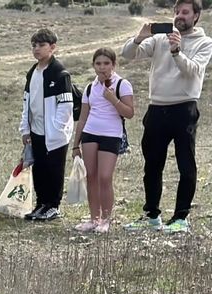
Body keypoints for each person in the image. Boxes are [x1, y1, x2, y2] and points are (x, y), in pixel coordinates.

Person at [122, 0, 212, 233]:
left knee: (185, 163)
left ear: (196, 16)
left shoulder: (204, 42)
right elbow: (127, 55)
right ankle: (152, 215)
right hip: (157, 109)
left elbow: (192, 71)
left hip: (184, 109)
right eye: (177, 12)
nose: (179, 16)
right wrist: (139, 37)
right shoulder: (160, 38)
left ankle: (181, 217)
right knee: (152, 164)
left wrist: (176, 51)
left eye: (185, 12)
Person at [73, 49, 134, 233]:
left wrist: (113, 99)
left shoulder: (122, 84)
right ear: (93, 66)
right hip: (90, 133)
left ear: (113, 65)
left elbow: (129, 113)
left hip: (111, 134)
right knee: (91, 176)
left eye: (106, 63)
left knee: (105, 177)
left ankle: (106, 219)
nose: (102, 68)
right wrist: (76, 144)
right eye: (98, 64)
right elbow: (82, 118)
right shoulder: (90, 87)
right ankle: (94, 218)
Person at [18, 28, 74, 222]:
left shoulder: (60, 73)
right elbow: (27, 101)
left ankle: (53, 206)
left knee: (54, 169)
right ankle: (41, 204)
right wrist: (25, 128)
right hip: (36, 131)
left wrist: (56, 130)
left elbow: (66, 106)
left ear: (53, 47)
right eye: (34, 45)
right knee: (39, 168)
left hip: (55, 134)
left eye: (42, 45)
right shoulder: (32, 72)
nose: (37, 49)